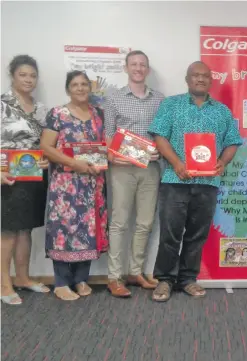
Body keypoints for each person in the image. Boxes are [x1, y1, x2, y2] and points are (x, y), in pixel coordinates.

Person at [148, 61, 242, 302]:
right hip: (175, 179)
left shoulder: (222, 111)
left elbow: (232, 140)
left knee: (197, 234)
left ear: (211, 80)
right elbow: (160, 136)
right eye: (195, 75)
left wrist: (223, 161)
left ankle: (188, 279)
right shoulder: (171, 104)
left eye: (205, 76)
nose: (200, 79)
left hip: (208, 183)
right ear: (187, 79)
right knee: (170, 233)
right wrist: (177, 163)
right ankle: (165, 280)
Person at [40, 70, 108, 301]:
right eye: (75, 84)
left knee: (88, 229)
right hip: (65, 185)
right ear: (68, 88)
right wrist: (74, 164)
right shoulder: (57, 114)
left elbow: (104, 146)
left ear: (90, 88)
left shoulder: (98, 114)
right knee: (63, 230)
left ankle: (80, 279)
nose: (80, 88)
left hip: (92, 183)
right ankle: (60, 283)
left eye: (84, 84)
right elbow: (47, 147)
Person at [104, 50, 165, 298]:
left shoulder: (160, 99)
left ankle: (135, 272)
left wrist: (159, 153)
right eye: (134, 64)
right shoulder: (113, 98)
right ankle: (114, 277)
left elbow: (163, 136)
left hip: (150, 169)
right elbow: (108, 136)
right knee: (119, 223)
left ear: (147, 70)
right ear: (126, 68)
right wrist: (112, 156)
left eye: (142, 65)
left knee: (145, 223)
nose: (138, 68)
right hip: (121, 169)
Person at [1, 55, 50, 305]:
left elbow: (46, 143)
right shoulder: (2, 104)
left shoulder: (40, 108)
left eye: (32, 75)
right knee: (7, 229)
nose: (28, 79)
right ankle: (4, 284)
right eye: (23, 75)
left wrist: (46, 160)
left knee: (26, 227)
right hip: (7, 175)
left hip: (34, 175)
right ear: (12, 76)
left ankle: (22, 278)